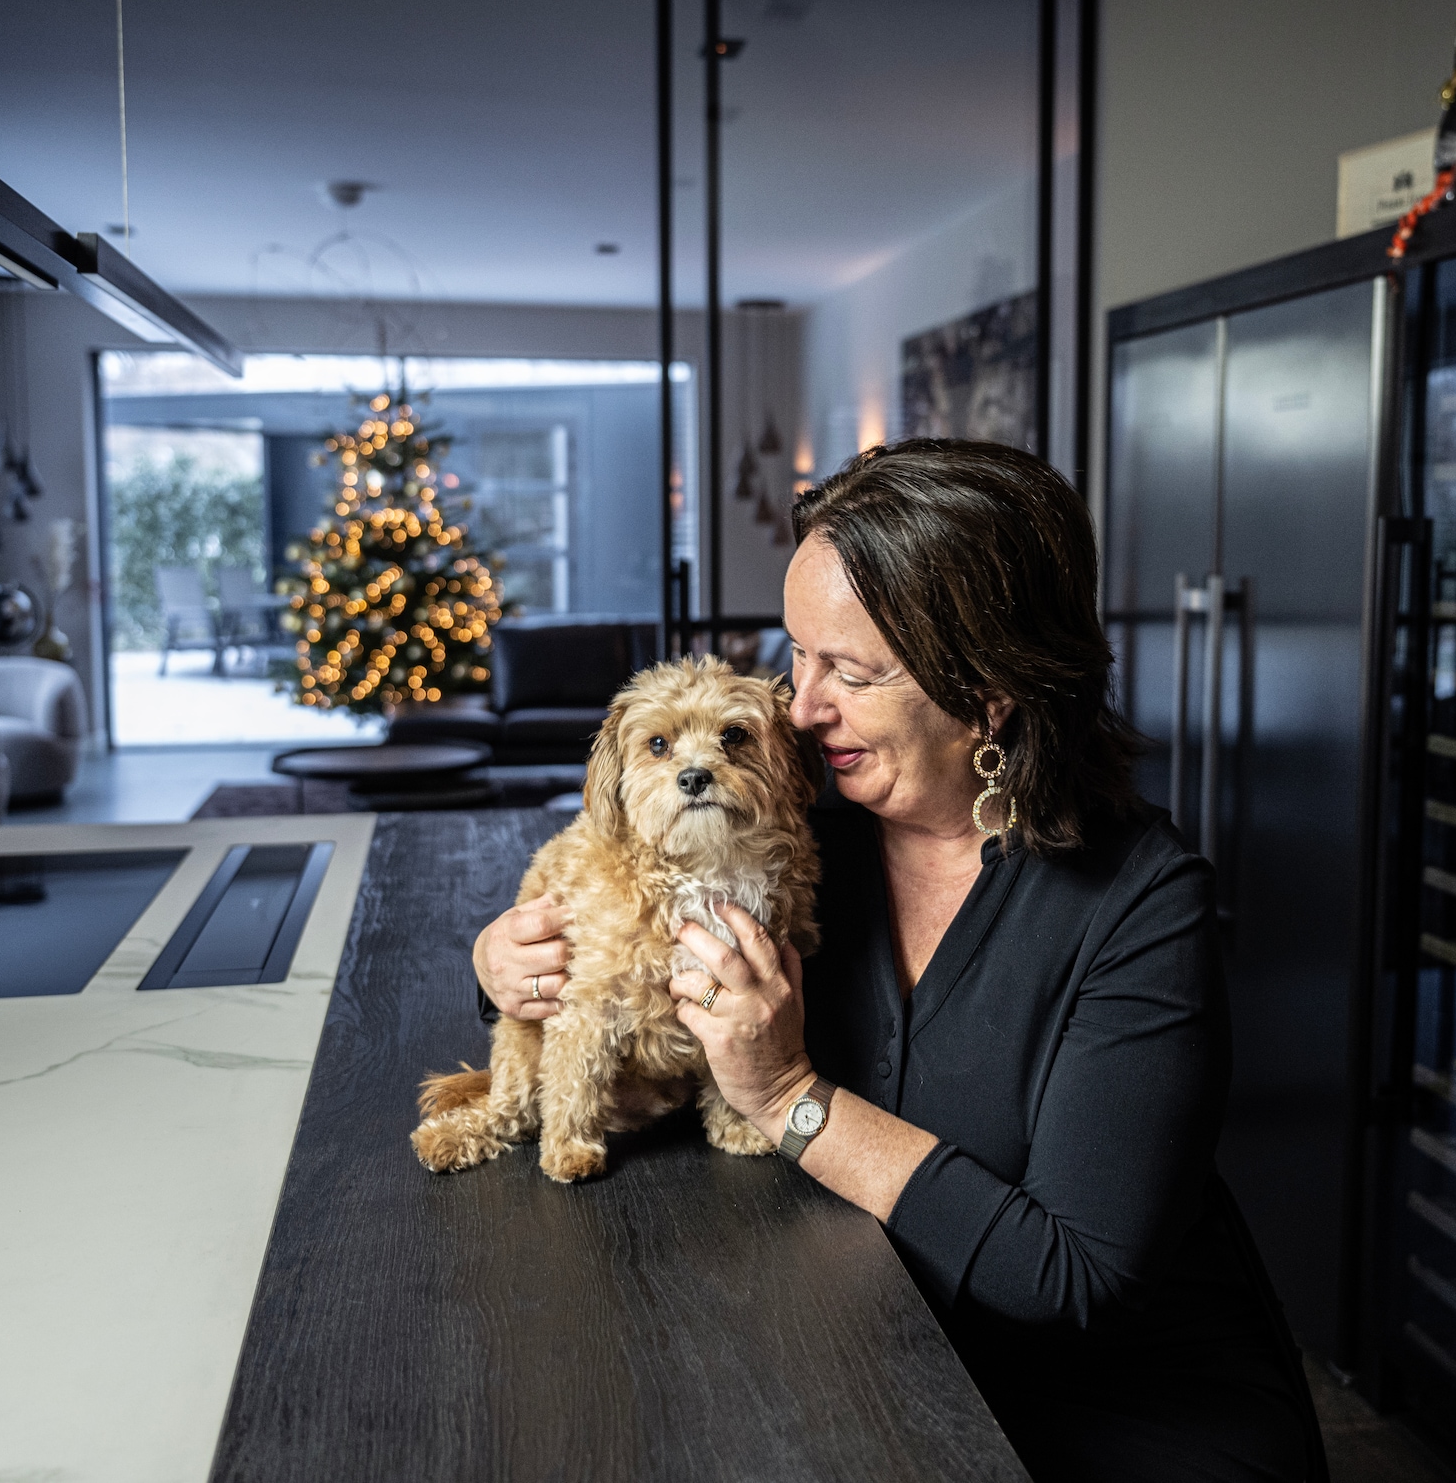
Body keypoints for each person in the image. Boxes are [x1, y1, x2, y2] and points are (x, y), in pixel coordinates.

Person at [472, 438, 1325, 1481]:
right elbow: (621, 939)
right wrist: (508, 966)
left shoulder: (1140, 908)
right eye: (796, 655)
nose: (798, 707)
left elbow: (1073, 1278)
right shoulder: (794, 827)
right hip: (869, 1355)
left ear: (991, 689)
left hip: (1101, 1415)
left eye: (852, 672)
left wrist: (788, 1093)